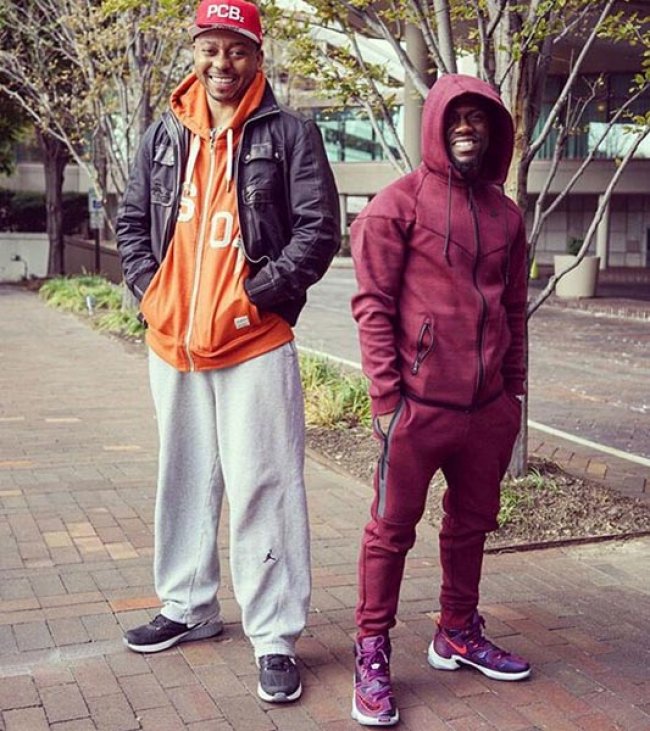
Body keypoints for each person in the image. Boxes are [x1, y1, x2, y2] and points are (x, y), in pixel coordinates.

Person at [115, 0, 340, 704]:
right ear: (195, 51)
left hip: (254, 340)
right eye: (211, 48)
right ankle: (188, 606)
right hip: (173, 342)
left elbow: (318, 231)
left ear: (257, 56)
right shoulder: (163, 133)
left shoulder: (290, 133)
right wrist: (152, 295)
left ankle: (273, 635)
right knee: (184, 478)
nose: (222, 63)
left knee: (264, 484)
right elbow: (131, 221)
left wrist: (256, 298)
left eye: (237, 49)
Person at [349, 73, 531, 726]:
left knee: (471, 524)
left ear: (495, 130)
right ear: (433, 124)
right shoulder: (395, 206)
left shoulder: (507, 216)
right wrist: (387, 400)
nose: (465, 127)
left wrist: (512, 395)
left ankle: (456, 631)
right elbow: (372, 307)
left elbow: (514, 309)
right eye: (454, 116)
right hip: (417, 409)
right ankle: (371, 650)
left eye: (478, 117)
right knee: (390, 531)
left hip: (487, 410)